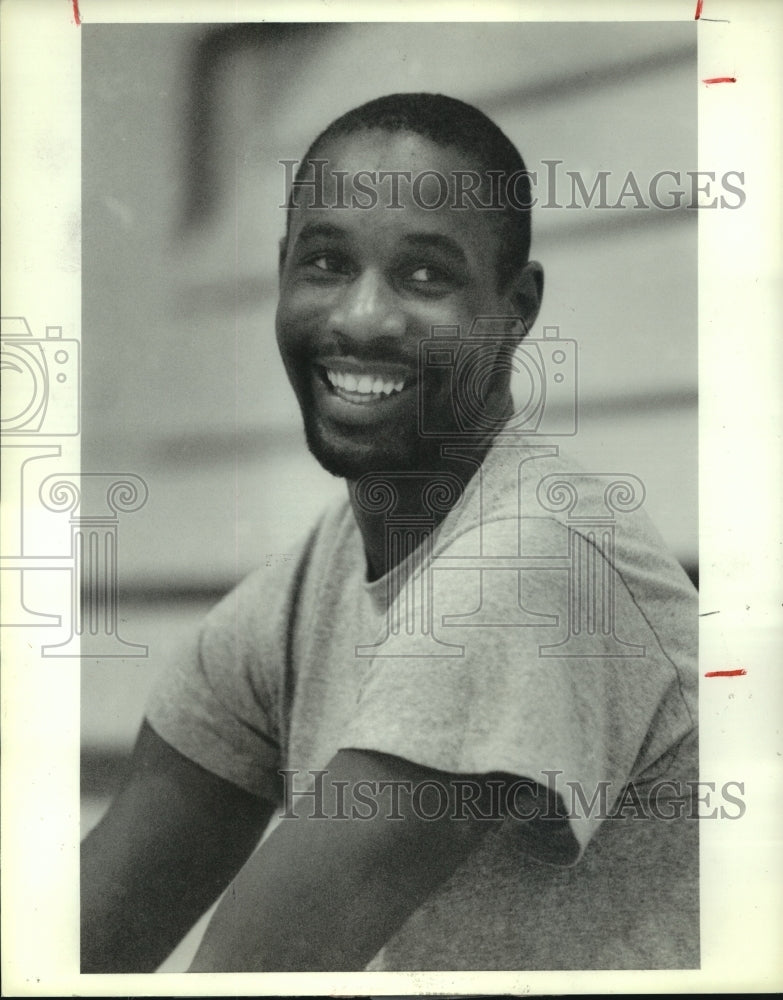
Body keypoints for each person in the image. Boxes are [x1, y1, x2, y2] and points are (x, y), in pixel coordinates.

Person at [80, 93, 699, 973]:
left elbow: (247, 978)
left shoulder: (532, 568)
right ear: (282, 271)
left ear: (516, 309)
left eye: (423, 276)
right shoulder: (306, 587)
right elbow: (77, 940)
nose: (360, 317)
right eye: (326, 262)